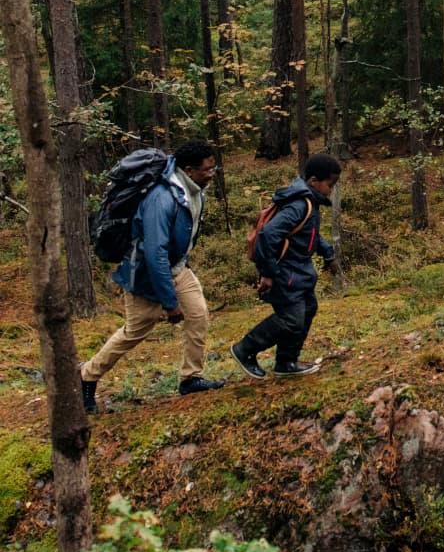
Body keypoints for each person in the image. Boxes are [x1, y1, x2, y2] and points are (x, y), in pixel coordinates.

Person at [80, 140, 224, 410]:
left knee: (198, 313)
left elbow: (183, 237)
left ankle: (190, 378)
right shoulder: (161, 198)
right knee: (135, 331)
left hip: (178, 267)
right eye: (208, 169)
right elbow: (154, 253)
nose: (212, 173)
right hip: (146, 274)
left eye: (213, 168)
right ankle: (87, 375)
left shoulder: (194, 191)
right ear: (190, 170)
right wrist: (169, 303)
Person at [231, 153, 342, 379]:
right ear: (313, 181)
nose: (331, 190)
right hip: (286, 273)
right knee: (290, 319)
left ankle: (286, 362)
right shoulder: (299, 205)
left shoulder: (310, 203)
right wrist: (269, 274)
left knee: (308, 309)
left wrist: (328, 255)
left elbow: (310, 235)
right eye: (330, 185)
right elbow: (268, 235)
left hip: (300, 272)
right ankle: (245, 349)